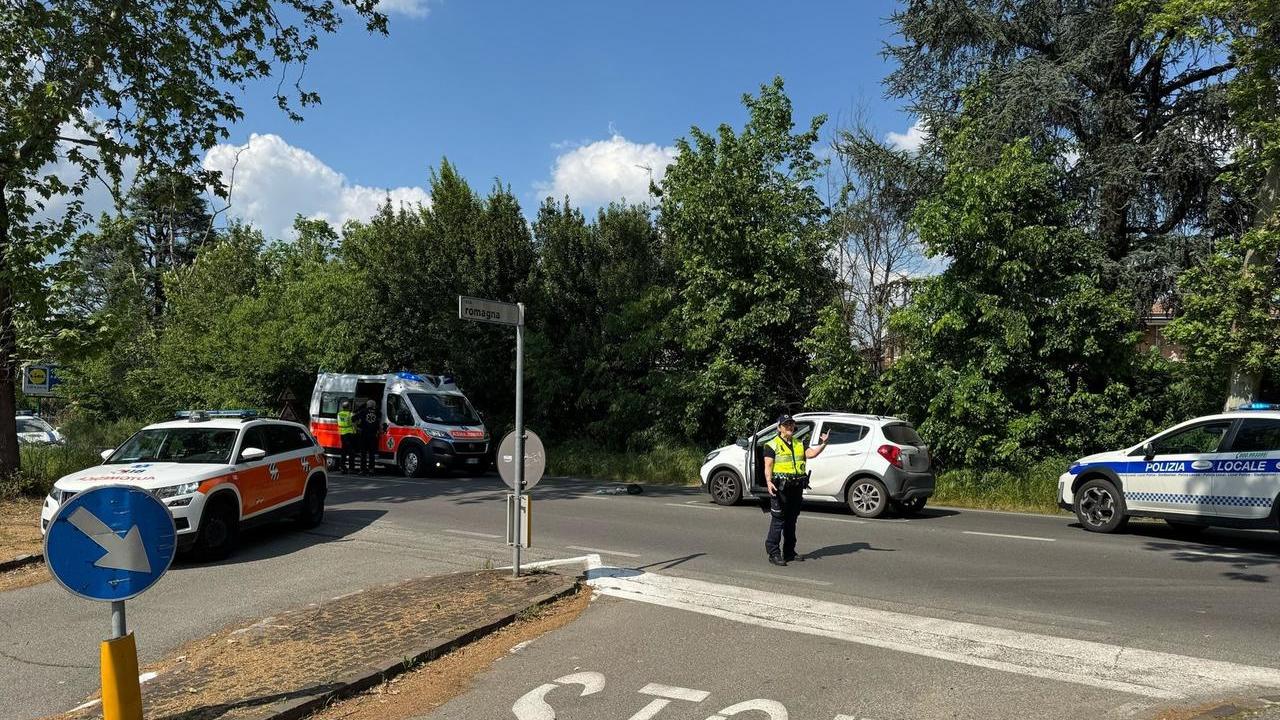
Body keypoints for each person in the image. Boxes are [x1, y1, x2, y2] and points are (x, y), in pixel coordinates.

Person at [763, 414, 829, 566]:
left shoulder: (799, 443)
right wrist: (768, 482)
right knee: (778, 520)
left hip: (796, 488)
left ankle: (789, 552)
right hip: (779, 488)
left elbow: (811, 454)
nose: (790, 427)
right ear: (779, 428)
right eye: (786, 425)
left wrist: (823, 444)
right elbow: (768, 466)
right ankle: (773, 553)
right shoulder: (771, 445)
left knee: (791, 520)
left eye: (792, 424)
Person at [356, 398, 381, 475]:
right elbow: (379, 421)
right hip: (373, 435)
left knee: (363, 453)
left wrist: (357, 427)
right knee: (371, 453)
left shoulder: (363, 411)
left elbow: (353, 418)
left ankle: (363, 470)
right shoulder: (378, 412)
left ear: (367, 405)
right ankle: (371, 469)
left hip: (364, 435)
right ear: (374, 405)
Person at [337, 399, 357, 474]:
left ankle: (342, 467)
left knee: (344, 451)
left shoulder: (339, 414)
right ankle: (351, 468)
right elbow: (354, 424)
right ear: (348, 407)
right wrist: (355, 431)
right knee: (351, 452)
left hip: (342, 433)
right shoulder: (350, 414)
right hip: (349, 433)